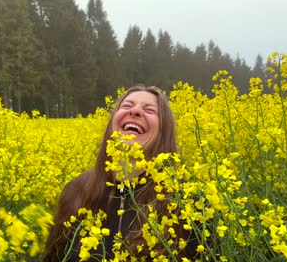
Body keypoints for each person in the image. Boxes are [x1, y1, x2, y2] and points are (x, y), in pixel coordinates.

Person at [43, 85, 198, 261]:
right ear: (112, 124)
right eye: (126, 106)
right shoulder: (75, 190)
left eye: (149, 110)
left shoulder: (187, 201)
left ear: (164, 132)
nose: (135, 110)